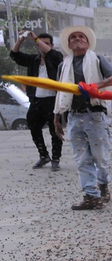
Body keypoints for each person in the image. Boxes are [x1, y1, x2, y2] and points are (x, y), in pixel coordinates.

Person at [52, 25, 112, 210]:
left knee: (100, 158)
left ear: (88, 42)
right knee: (82, 158)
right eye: (73, 37)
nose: (77, 39)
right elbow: (60, 91)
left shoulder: (97, 59)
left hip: (95, 115)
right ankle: (91, 195)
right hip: (74, 116)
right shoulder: (63, 65)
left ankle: (103, 184)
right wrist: (57, 117)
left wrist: (95, 86)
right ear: (69, 44)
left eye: (81, 36)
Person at [10, 31, 64, 170]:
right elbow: (15, 55)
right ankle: (43, 155)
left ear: (51, 45)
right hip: (37, 100)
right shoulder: (34, 60)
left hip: (53, 99)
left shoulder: (56, 57)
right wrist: (20, 39)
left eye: (46, 44)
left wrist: (35, 37)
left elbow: (52, 54)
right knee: (33, 126)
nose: (42, 46)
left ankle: (56, 158)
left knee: (55, 130)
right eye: (40, 43)